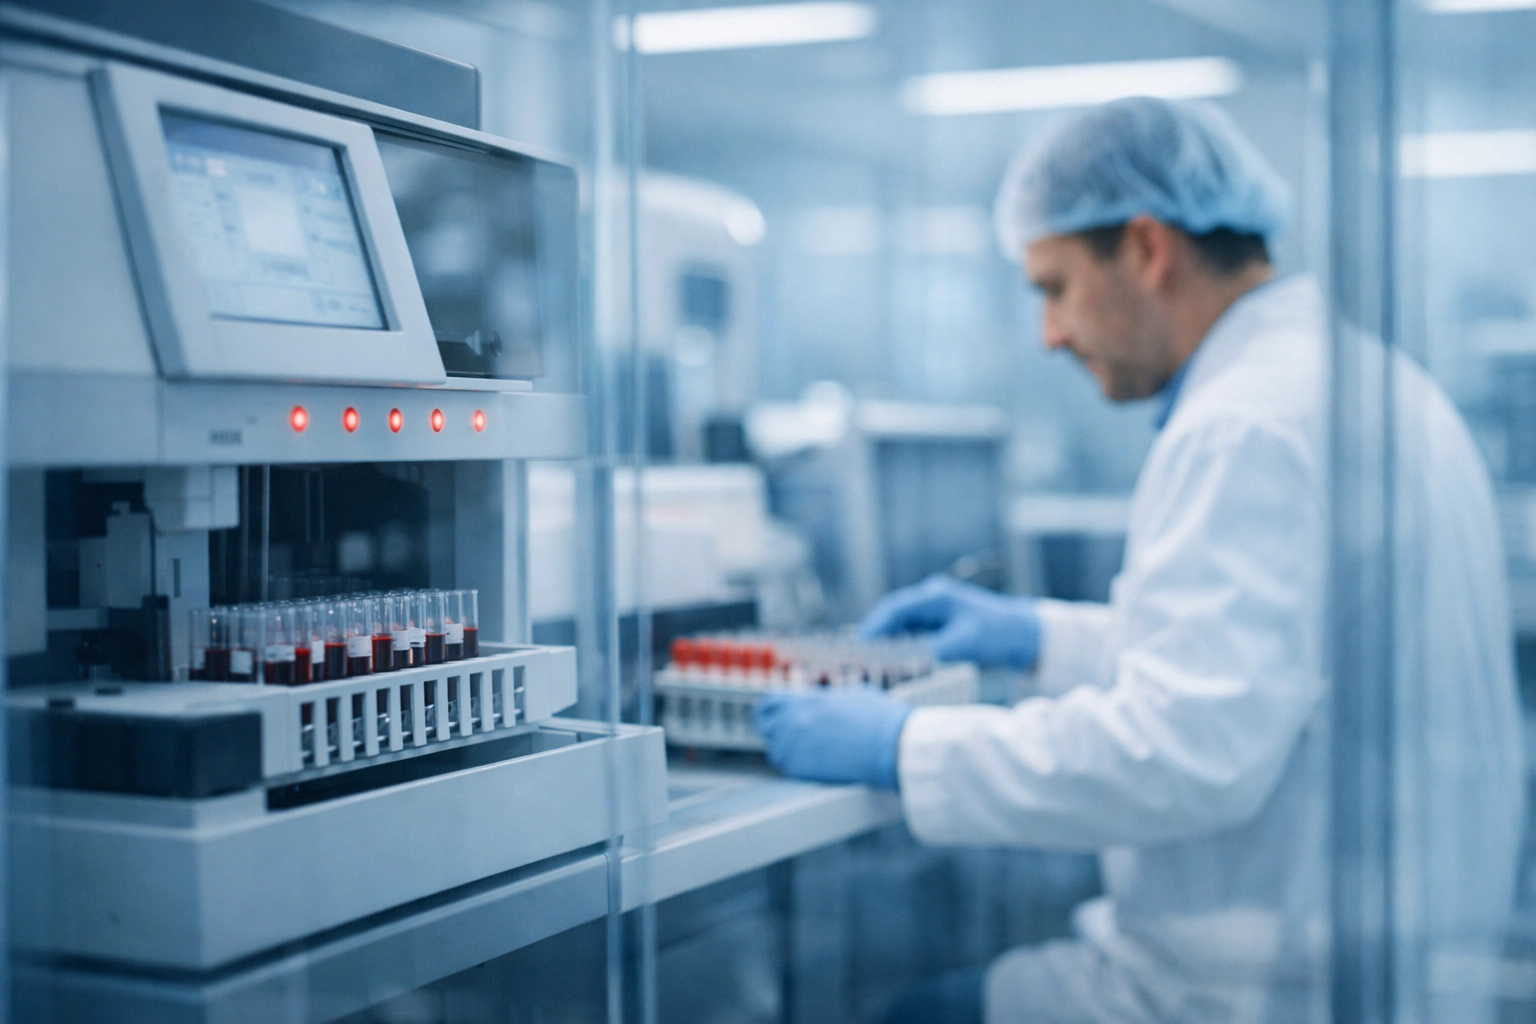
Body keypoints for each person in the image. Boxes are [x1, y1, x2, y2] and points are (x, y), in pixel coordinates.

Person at [755, 97, 1524, 1024]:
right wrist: (1043, 638)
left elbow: (1180, 753)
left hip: (1256, 987)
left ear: (1147, 250)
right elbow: (1273, 660)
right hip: (1379, 955)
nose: (1048, 332)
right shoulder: (1359, 378)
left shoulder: (1246, 424)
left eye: (1055, 288)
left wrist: (903, 745)